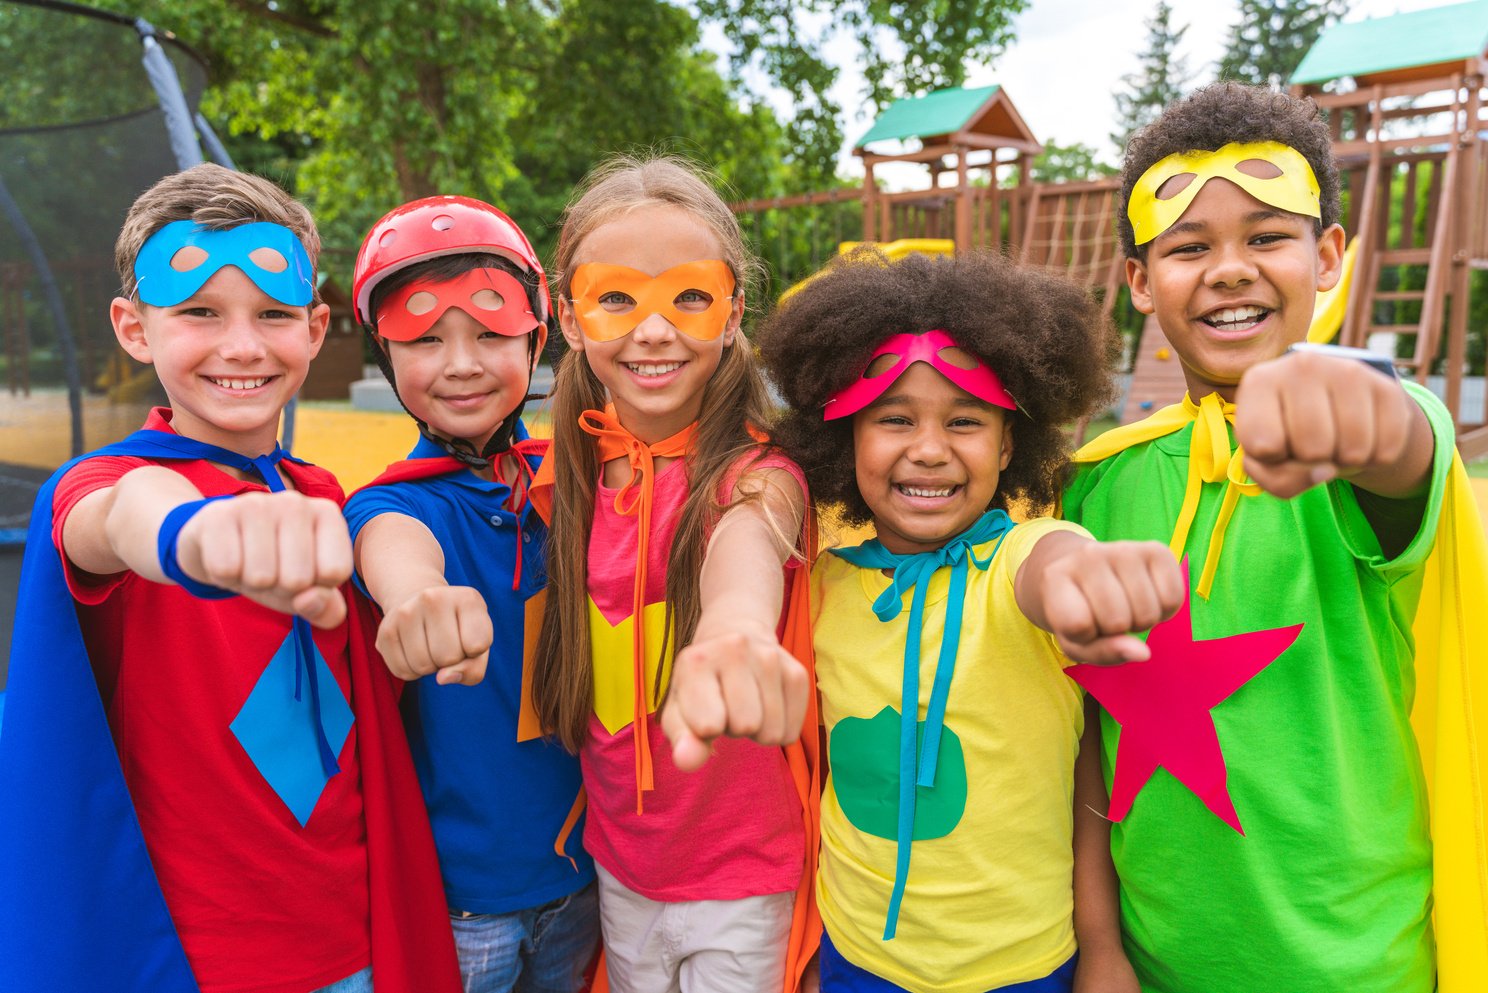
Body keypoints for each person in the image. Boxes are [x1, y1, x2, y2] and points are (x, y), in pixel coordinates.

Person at [668, 247, 1181, 993]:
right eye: (895, 418)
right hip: (855, 959)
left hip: (1024, 967)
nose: (930, 449)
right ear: (847, 440)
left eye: (966, 420)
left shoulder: (1023, 558)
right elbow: (745, 538)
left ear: (1011, 443)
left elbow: (1055, 567)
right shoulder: (825, 582)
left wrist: (1085, 580)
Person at [0, 163, 460, 993]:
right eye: (200, 313)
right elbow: (123, 517)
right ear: (134, 328)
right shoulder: (100, 483)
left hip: (359, 935)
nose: (243, 346)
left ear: (317, 328)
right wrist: (193, 534)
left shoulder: (321, 493)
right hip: (200, 960)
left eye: (274, 314)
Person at [1063, 81, 1480, 992]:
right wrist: (1100, 943)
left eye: (1265, 236)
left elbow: (1401, 450)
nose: (1230, 267)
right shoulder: (1096, 482)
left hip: (1360, 966)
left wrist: (1358, 415)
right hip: (1156, 960)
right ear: (1139, 281)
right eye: (1187, 247)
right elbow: (1088, 733)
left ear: (1327, 255)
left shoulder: (1375, 430)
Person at [528, 155, 819, 993]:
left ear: (732, 314)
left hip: (743, 883)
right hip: (620, 871)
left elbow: (749, 547)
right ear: (571, 318)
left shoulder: (759, 475)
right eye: (617, 297)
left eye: (688, 296)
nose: (654, 331)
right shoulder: (566, 475)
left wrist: (734, 627)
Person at [343, 195, 599, 993]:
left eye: (490, 332)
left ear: (536, 334)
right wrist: (418, 597)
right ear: (386, 355)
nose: (461, 362)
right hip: (465, 905)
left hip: (590, 881)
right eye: (425, 339)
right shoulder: (392, 505)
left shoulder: (581, 475)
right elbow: (394, 554)